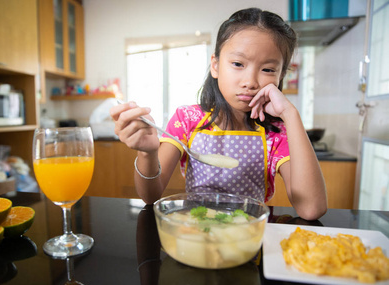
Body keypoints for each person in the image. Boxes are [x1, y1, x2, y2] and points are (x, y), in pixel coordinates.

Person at [110, 8, 327, 220]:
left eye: (268, 69)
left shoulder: (276, 133)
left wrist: (290, 114)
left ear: (280, 76)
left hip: (248, 239)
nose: (250, 82)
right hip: (197, 235)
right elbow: (151, 196)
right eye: (238, 64)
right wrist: (147, 153)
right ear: (215, 65)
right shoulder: (187, 120)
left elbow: (311, 209)